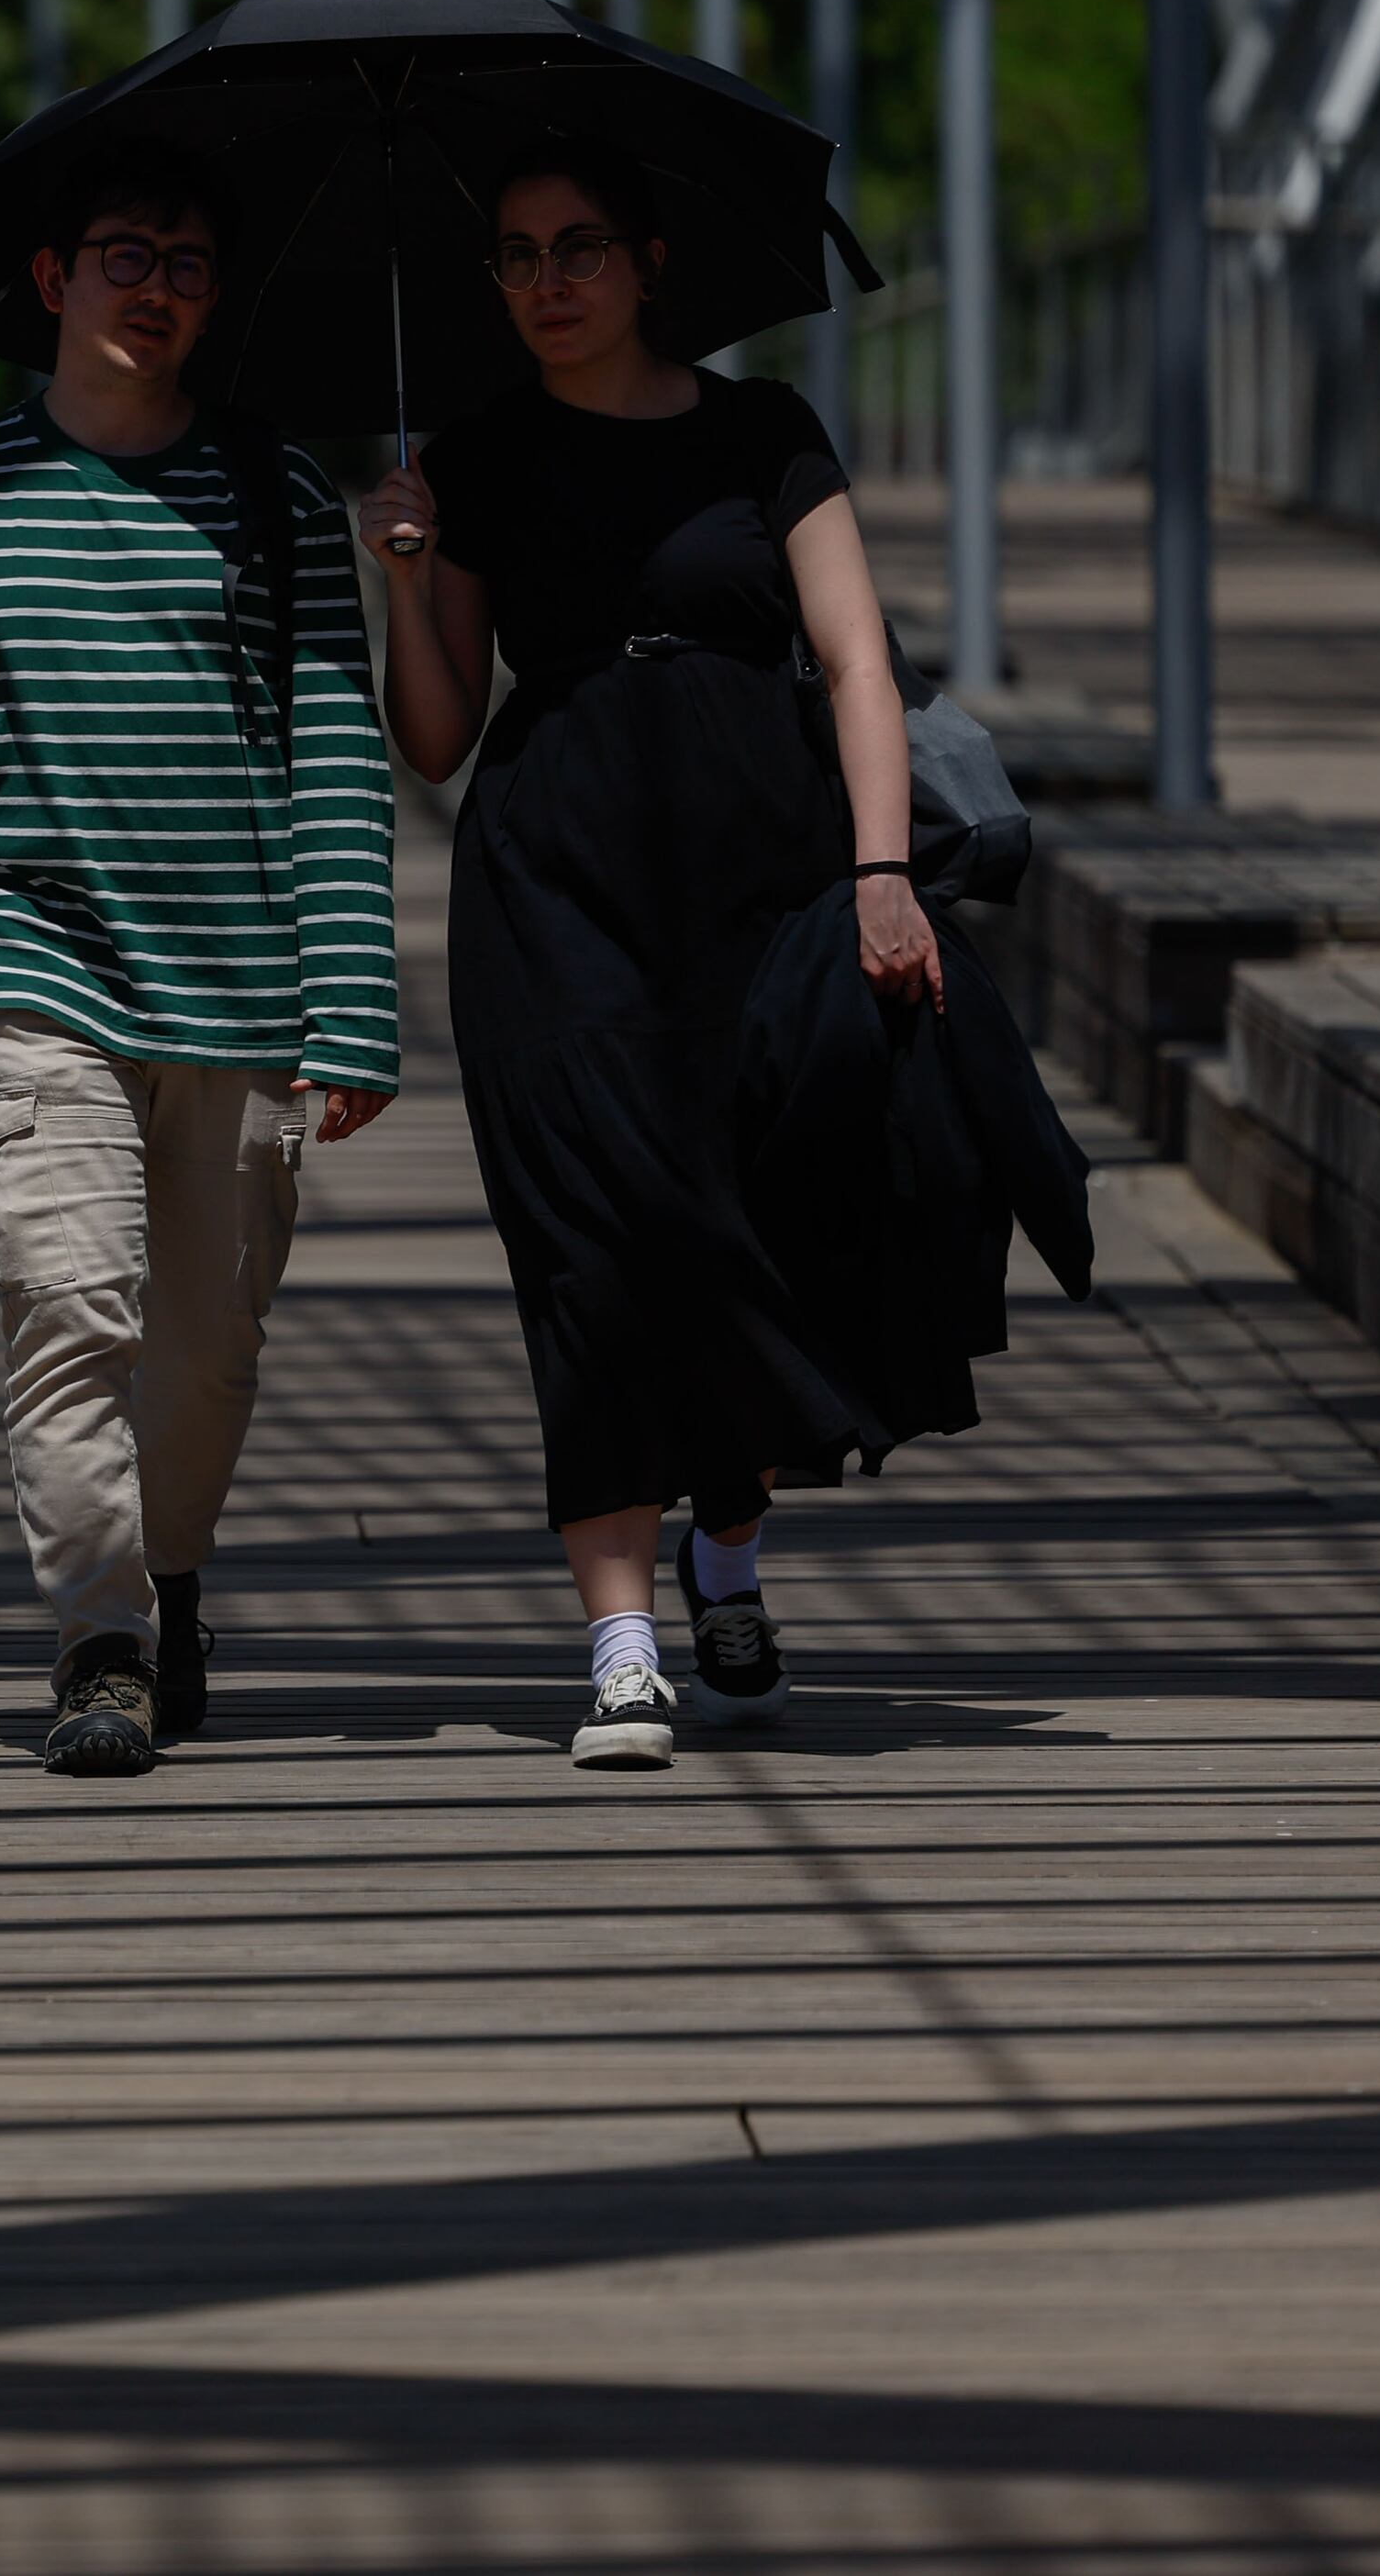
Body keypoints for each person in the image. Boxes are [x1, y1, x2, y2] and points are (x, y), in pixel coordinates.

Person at [364, 137, 1039, 1768]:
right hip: (553, 894)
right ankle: (620, 1643)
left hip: (760, 883)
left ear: (650, 259)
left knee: (741, 1223)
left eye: (577, 244)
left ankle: (724, 1548)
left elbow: (858, 656)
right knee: (595, 1244)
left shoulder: (764, 435)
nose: (548, 283)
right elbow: (439, 739)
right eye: (516, 257)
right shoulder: (482, 456)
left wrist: (883, 871)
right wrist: (398, 575)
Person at [0, 141, 400, 1778]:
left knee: (205, 1353)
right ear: (53, 280)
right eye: (126, 253)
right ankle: (104, 1638)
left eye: (191, 263)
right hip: (32, 970)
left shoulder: (275, 494)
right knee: (72, 1306)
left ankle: (172, 1578)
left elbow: (336, 757)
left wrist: (355, 1003)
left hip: (245, 991)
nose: (157, 287)